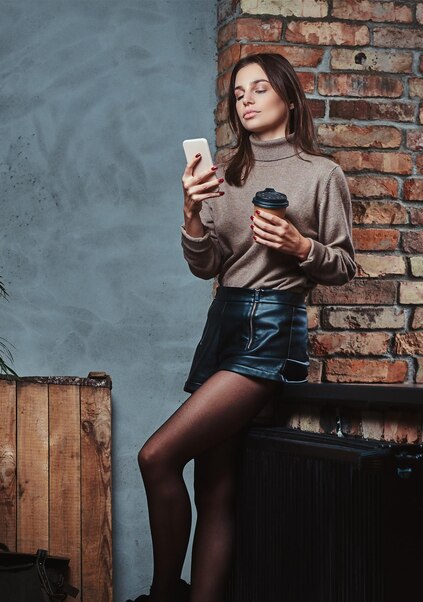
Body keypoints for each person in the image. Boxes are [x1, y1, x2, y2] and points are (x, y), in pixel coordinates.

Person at [131, 52, 356, 602]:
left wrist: (301, 246)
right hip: (223, 326)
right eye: (239, 93)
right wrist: (190, 212)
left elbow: (345, 267)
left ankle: (165, 595)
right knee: (215, 491)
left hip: (272, 330)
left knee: (156, 456)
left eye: (259, 88)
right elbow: (206, 265)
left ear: (288, 98)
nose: (247, 99)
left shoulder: (321, 175)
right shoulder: (225, 176)